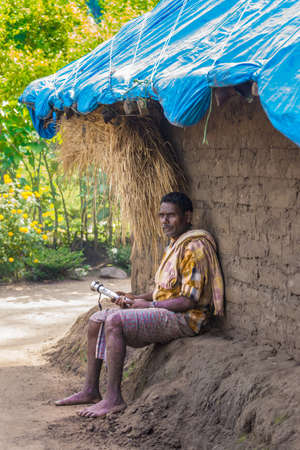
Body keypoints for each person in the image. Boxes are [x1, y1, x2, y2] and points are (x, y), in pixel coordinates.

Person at [55, 192, 224, 418]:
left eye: (171, 216)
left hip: (186, 319)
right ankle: (91, 390)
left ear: (187, 216)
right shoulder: (174, 245)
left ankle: (114, 399)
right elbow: (162, 292)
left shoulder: (194, 247)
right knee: (97, 320)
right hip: (168, 310)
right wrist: (134, 298)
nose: (164, 221)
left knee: (115, 320)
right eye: (161, 215)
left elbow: (187, 301)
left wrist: (149, 306)